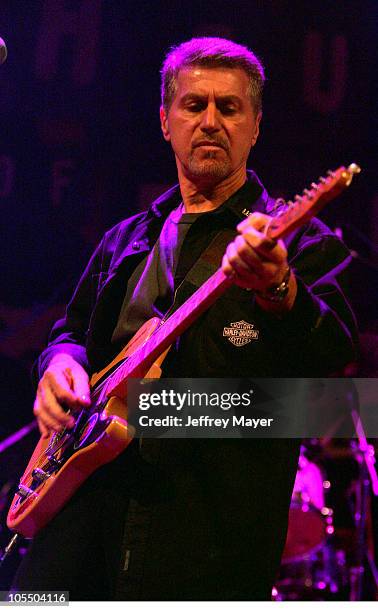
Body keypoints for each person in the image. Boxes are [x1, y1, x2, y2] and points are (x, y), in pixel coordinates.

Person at [10, 37, 358, 600]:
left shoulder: (297, 240)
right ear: (166, 121)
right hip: (82, 509)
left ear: (256, 125)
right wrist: (60, 366)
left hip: (206, 532)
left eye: (230, 107)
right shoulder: (126, 239)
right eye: (194, 105)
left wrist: (277, 284)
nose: (211, 121)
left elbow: (334, 356)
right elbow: (68, 333)